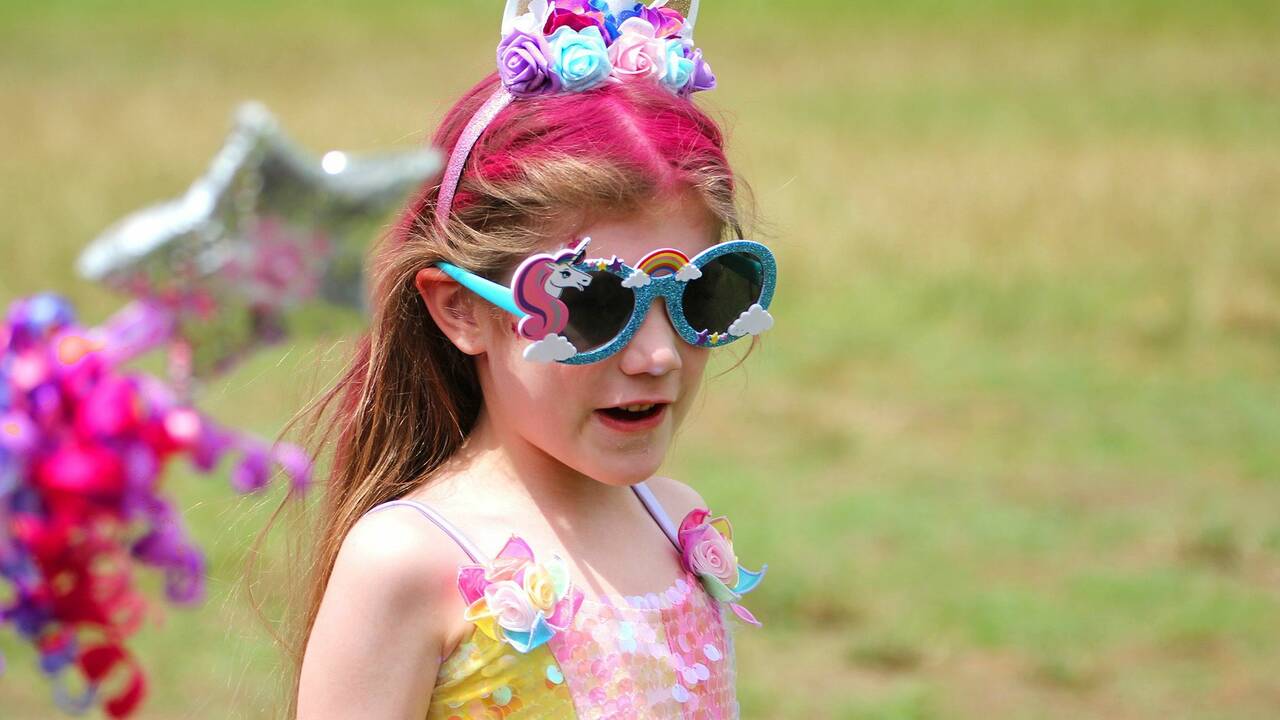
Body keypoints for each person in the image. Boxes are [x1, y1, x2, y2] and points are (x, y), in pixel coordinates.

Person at [289, 1, 776, 717]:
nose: (657, 355)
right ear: (462, 310)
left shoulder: (676, 523)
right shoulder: (409, 563)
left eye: (702, 295)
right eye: (595, 304)